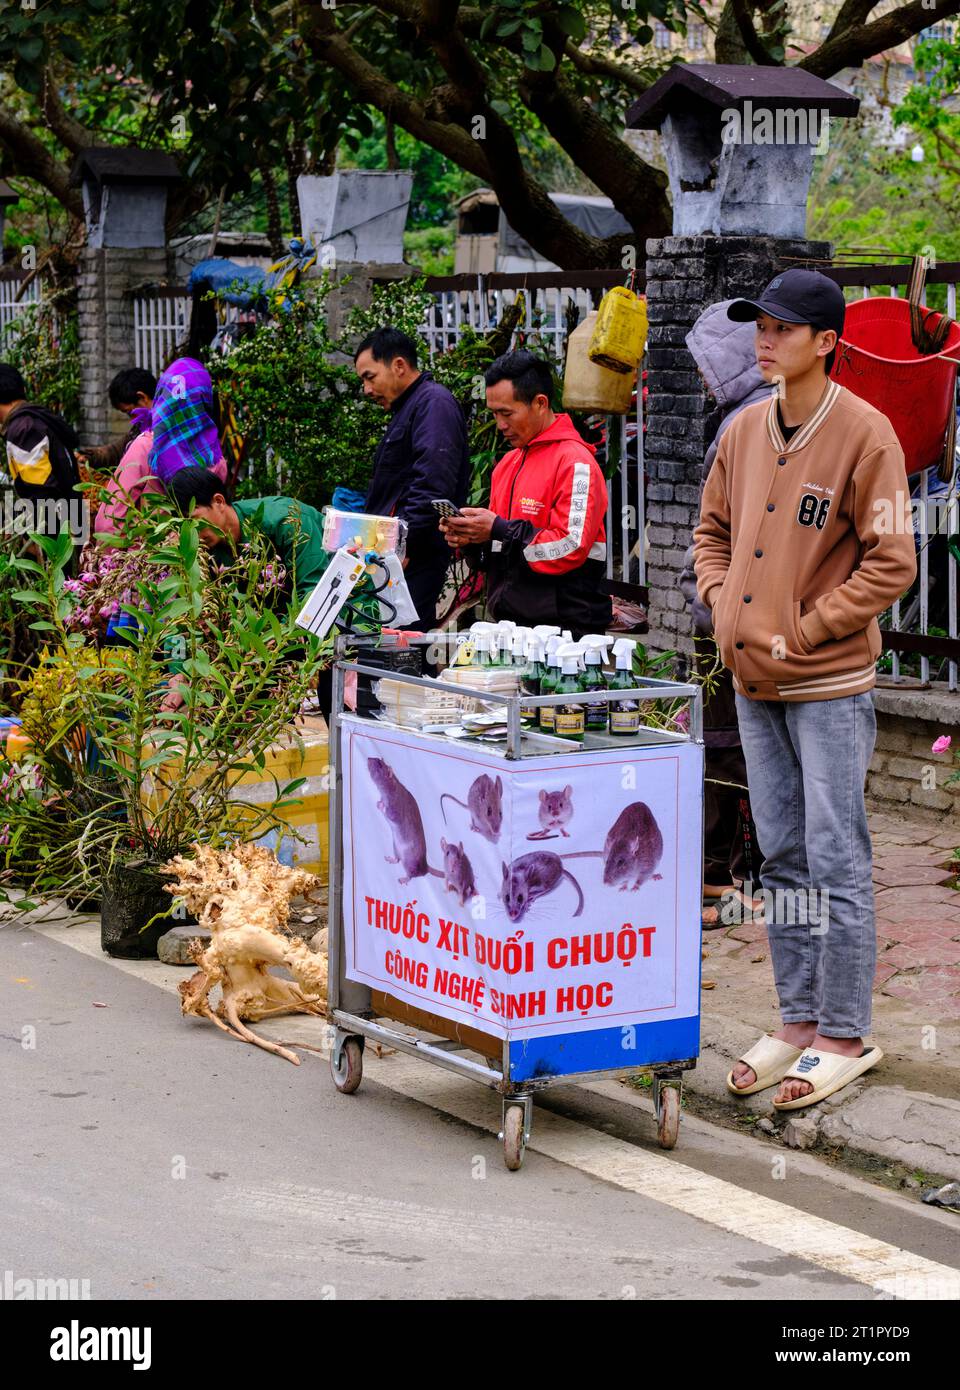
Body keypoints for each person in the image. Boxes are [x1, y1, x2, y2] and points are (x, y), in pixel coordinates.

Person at [693, 268, 917, 1110]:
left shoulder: (870, 437)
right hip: (754, 680)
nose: (764, 338)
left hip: (827, 683)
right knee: (780, 854)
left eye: (782, 328)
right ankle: (796, 1020)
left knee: (836, 855)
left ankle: (845, 1033)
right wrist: (721, 603)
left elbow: (894, 561)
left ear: (825, 342)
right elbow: (710, 533)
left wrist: (810, 625)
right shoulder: (746, 430)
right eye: (759, 325)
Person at [678, 303, 769, 926]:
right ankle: (744, 869)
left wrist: (708, 601)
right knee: (734, 744)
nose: (704, 378)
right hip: (733, 611)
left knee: (730, 745)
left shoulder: (747, 423)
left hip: (734, 620)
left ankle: (734, 872)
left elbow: (720, 532)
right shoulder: (754, 416)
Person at [165, 467, 379, 716]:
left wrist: (264, 648)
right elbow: (192, 614)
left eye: (194, 520)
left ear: (219, 501)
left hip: (343, 615)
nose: (190, 533)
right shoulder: (204, 551)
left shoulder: (286, 519)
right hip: (277, 634)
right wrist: (182, 671)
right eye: (183, 526)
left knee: (345, 712)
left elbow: (314, 593)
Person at [440, 350, 611, 635]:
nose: (500, 425)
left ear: (540, 403)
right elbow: (501, 553)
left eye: (507, 413)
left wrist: (498, 528)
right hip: (512, 628)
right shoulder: (507, 464)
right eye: (494, 413)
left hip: (566, 634)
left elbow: (569, 548)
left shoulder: (576, 463)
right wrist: (471, 539)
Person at [355, 327, 470, 629]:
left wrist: (405, 546)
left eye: (370, 376)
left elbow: (432, 484)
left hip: (411, 557)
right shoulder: (410, 406)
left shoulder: (433, 404)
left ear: (399, 365)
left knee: (404, 647)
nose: (367, 389)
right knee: (390, 643)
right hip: (394, 554)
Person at [93, 357, 226, 538]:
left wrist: (124, 561)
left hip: (147, 559)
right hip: (195, 560)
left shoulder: (147, 446)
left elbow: (110, 519)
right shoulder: (215, 458)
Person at [0, 363, 81, 522]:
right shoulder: (34, 417)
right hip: (68, 517)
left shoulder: (22, 430)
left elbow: (41, 493)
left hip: (57, 532)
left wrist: (24, 531)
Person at [77, 368, 156, 473]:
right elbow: (116, 451)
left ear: (142, 397)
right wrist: (88, 457)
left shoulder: (165, 428)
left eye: (129, 412)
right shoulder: (140, 428)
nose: (132, 420)